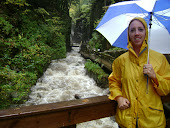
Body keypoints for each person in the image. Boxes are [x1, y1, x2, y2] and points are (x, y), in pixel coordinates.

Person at [108, 17, 170, 128]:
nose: (136, 33)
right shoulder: (120, 61)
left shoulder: (159, 59)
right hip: (127, 120)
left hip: (152, 122)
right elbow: (114, 82)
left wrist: (155, 77)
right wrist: (119, 97)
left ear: (146, 32)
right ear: (128, 34)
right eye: (132, 30)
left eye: (140, 29)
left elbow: (166, 89)